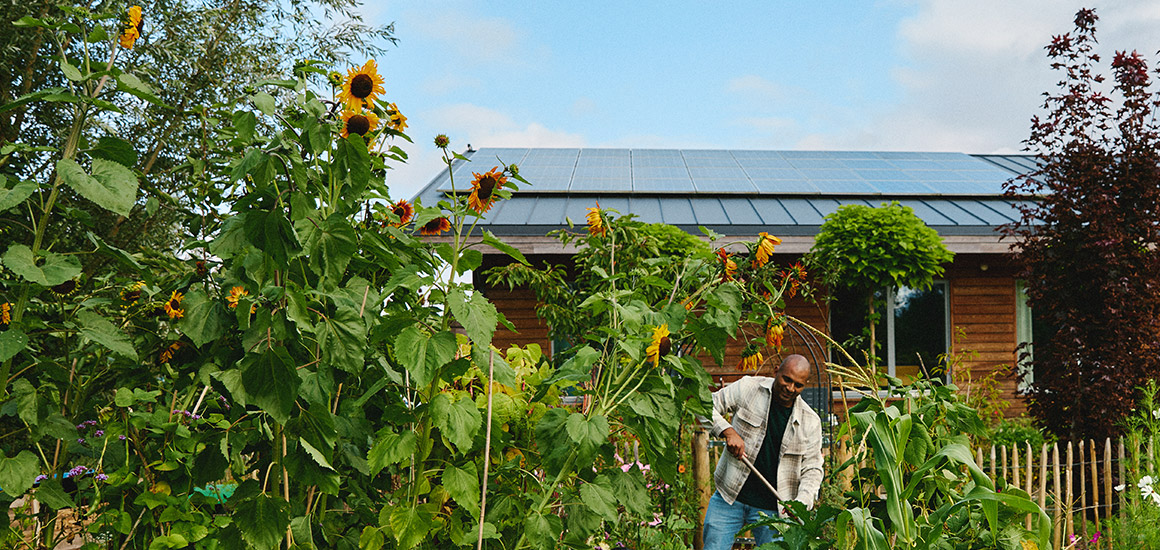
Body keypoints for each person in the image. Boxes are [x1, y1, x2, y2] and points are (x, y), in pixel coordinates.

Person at [701, 354, 824, 550]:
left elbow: (813, 469)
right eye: (786, 379)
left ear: (805, 385)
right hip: (729, 496)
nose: (790, 388)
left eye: (798, 385)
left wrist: (801, 503)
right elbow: (704, 405)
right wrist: (727, 430)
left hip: (774, 510)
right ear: (776, 371)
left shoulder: (811, 421)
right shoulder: (748, 388)